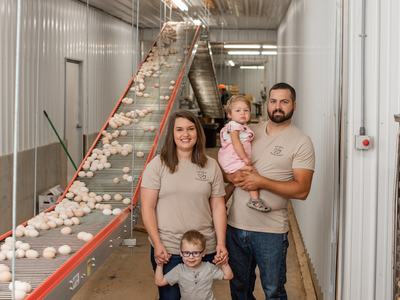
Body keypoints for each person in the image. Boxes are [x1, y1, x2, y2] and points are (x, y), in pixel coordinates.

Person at [225, 82, 315, 300]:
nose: (278, 106)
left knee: (273, 291)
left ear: (294, 105)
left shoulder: (301, 142)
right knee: (239, 289)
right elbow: (228, 163)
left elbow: (302, 190)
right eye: (273, 101)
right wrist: (230, 176)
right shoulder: (249, 131)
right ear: (267, 104)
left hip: (271, 232)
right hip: (236, 226)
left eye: (284, 102)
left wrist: (260, 182)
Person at [141, 110, 228, 300]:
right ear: (172, 135)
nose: (185, 134)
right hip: (168, 249)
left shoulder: (211, 165)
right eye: (179, 129)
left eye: (190, 129)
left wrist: (221, 243)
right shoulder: (158, 165)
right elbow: (147, 208)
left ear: (198, 132)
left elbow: (218, 207)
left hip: (203, 248)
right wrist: (157, 243)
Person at [218, 95, 270, 212]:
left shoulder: (242, 127)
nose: (242, 113)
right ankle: (254, 200)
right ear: (229, 114)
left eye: (246, 110)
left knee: (236, 182)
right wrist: (245, 158)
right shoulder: (234, 126)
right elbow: (236, 143)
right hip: (234, 159)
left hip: (233, 159)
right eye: (238, 110)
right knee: (252, 174)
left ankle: (221, 203)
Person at [155, 230, 233, 300]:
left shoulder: (208, 267)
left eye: (195, 253)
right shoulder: (179, 270)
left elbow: (228, 276)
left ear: (203, 253)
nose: (191, 257)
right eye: (186, 253)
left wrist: (224, 264)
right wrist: (159, 265)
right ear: (181, 253)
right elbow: (159, 282)